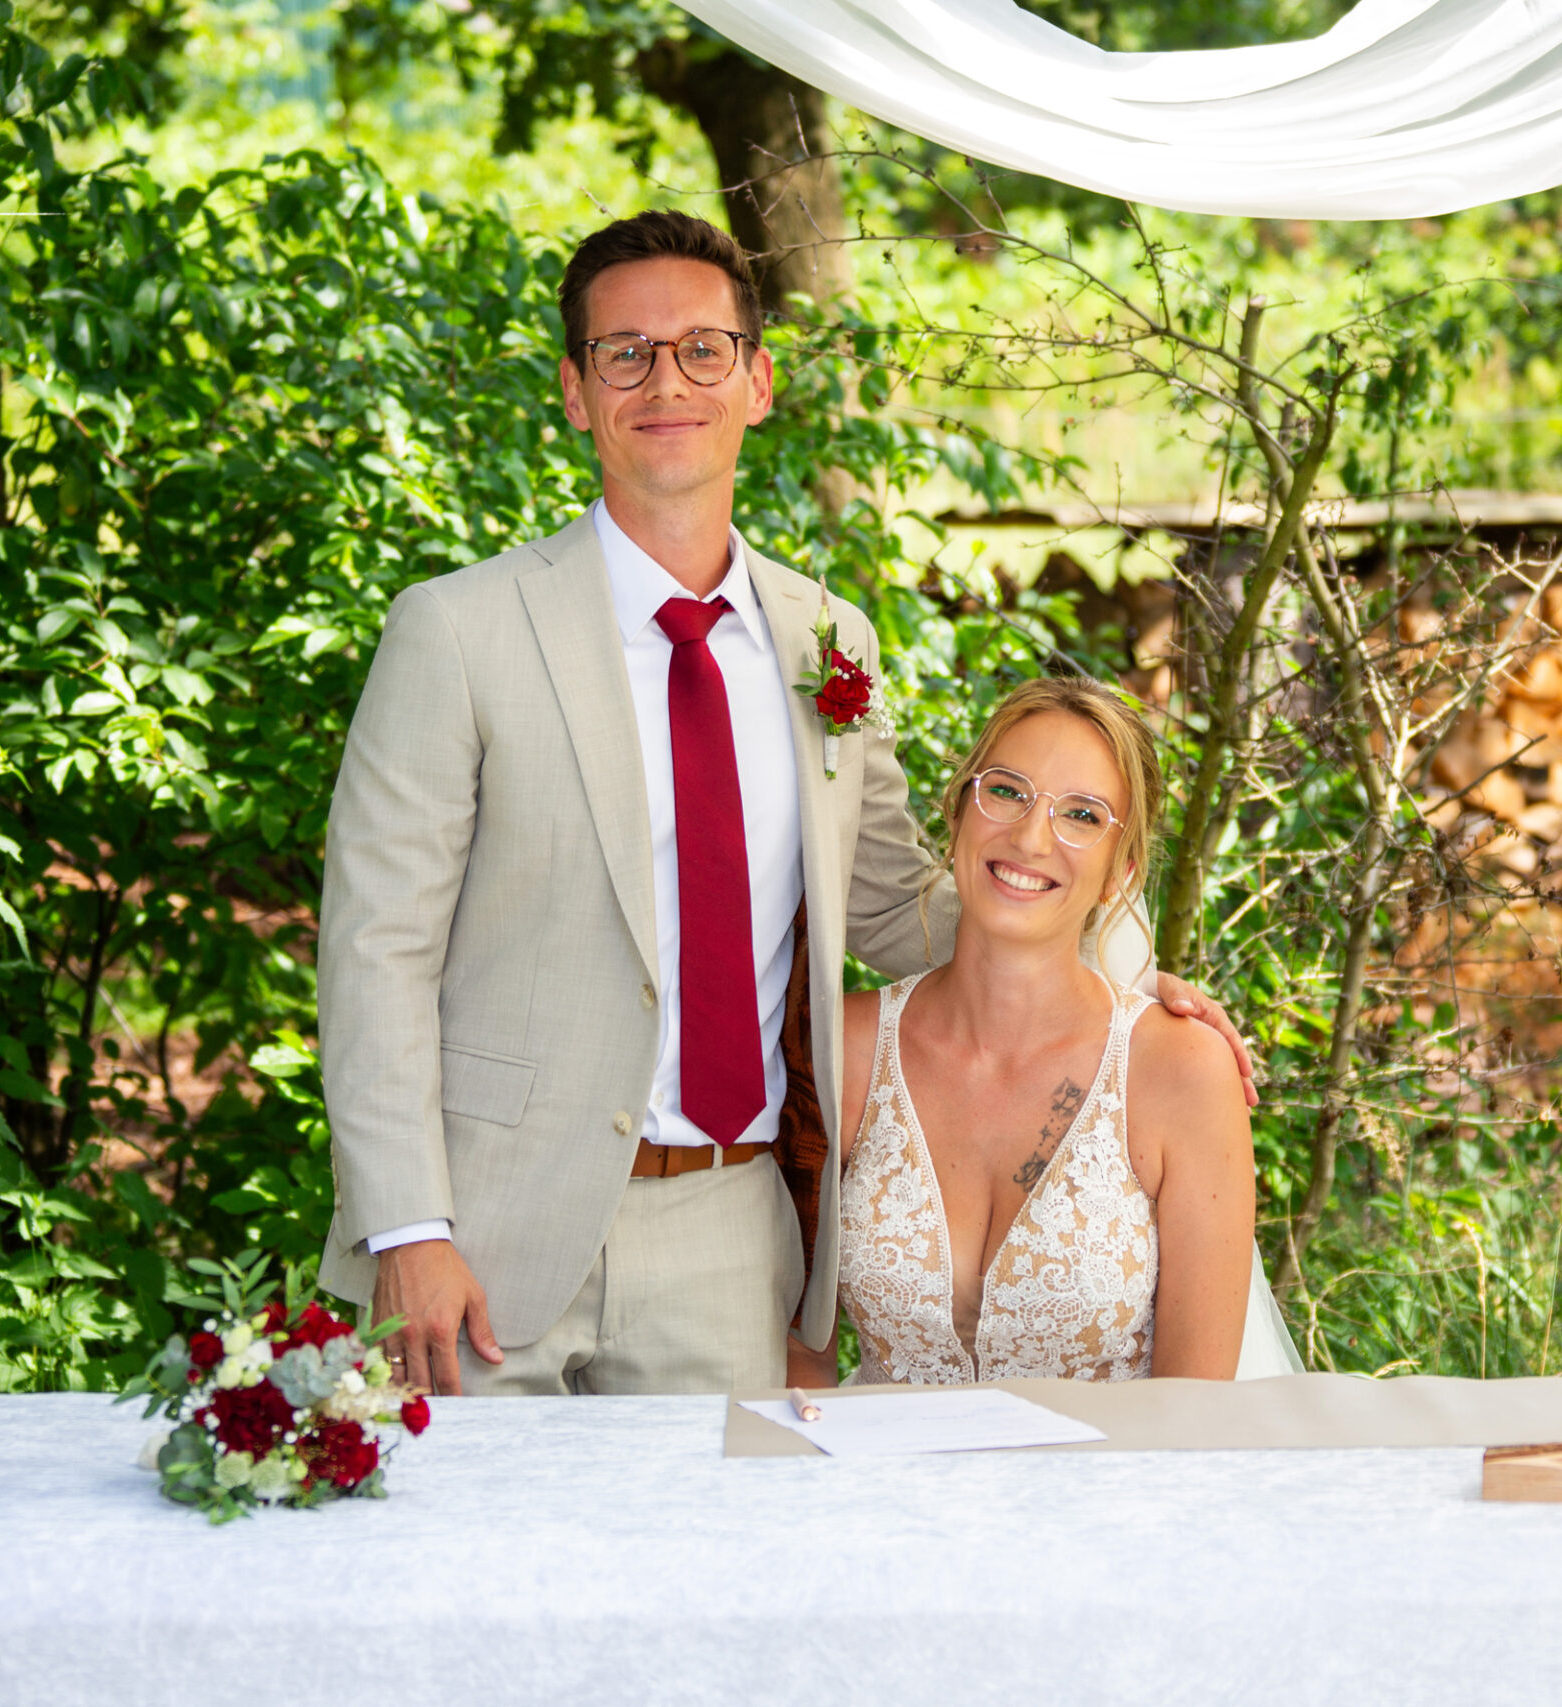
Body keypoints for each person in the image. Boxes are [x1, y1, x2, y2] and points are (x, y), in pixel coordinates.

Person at [313, 209, 1251, 1397]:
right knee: (459, 1524)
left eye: (702, 350)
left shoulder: (826, 640)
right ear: (575, 391)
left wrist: (1123, 989)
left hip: (728, 1235)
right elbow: (375, 948)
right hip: (485, 1227)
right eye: (625, 353)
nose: (667, 381)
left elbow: (900, 906)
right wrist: (407, 1228)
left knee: (724, 1524)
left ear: (756, 384)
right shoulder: (459, 631)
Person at [825, 677, 1293, 1384]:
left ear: (1119, 873)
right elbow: (799, 1350)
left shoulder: (1181, 1071)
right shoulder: (846, 1049)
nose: (1031, 836)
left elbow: (1195, 1408)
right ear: (958, 810)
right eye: (1006, 791)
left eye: (1081, 814)